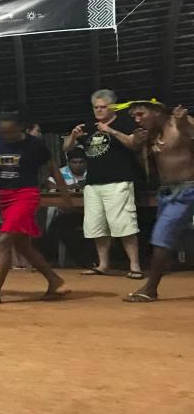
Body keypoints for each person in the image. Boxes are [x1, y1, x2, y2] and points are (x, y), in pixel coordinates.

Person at [0, 111, 74, 306]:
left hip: (26, 195)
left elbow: (53, 169)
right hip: (4, 197)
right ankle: (54, 280)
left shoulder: (35, 145)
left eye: (11, 132)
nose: (6, 136)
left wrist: (65, 196)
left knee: (5, 238)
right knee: (22, 245)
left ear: (21, 128)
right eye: (3, 132)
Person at [64, 89, 145, 279]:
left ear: (112, 107)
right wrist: (73, 137)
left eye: (103, 107)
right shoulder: (90, 127)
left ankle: (135, 266)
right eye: (96, 107)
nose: (99, 110)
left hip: (118, 181)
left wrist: (111, 131)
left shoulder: (124, 122)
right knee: (97, 226)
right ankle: (103, 264)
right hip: (93, 183)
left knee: (125, 225)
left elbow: (133, 144)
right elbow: (67, 149)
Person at [123, 101, 194, 302]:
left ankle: (150, 289)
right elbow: (142, 159)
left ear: (156, 111)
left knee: (161, 237)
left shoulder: (180, 123)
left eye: (140, 114)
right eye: (134, 116)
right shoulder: (151, 135)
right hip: (166, 192)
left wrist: (186, 127)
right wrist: (139, 145)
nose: (137, 120)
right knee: (170, 239)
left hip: (188, 190)